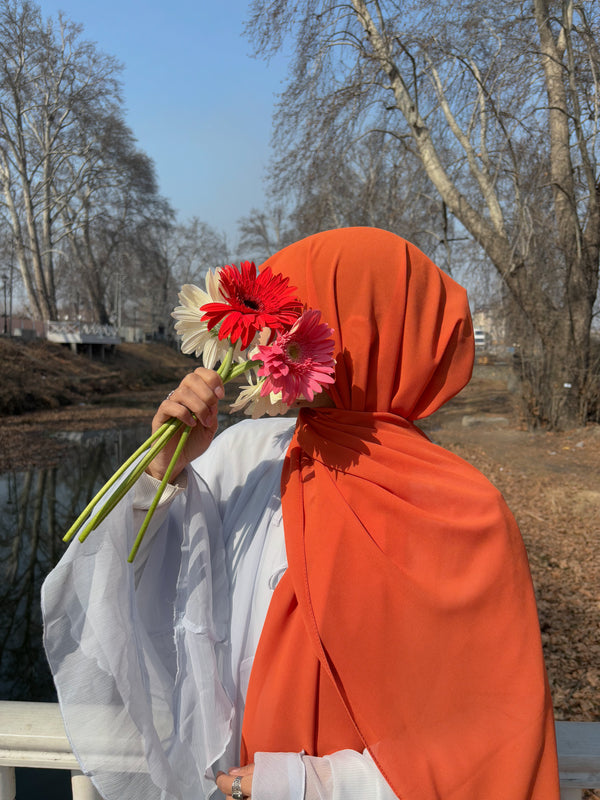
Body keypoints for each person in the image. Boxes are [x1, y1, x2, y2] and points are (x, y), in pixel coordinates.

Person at [42, 227, 560, 800]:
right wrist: (160, 472)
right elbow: (122, 591)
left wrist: (313, 785)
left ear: (365, 338)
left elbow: (490, 740)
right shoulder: (245, 453)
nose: (270, 344)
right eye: (270, 326)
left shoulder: (465, 514)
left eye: (295, 323)